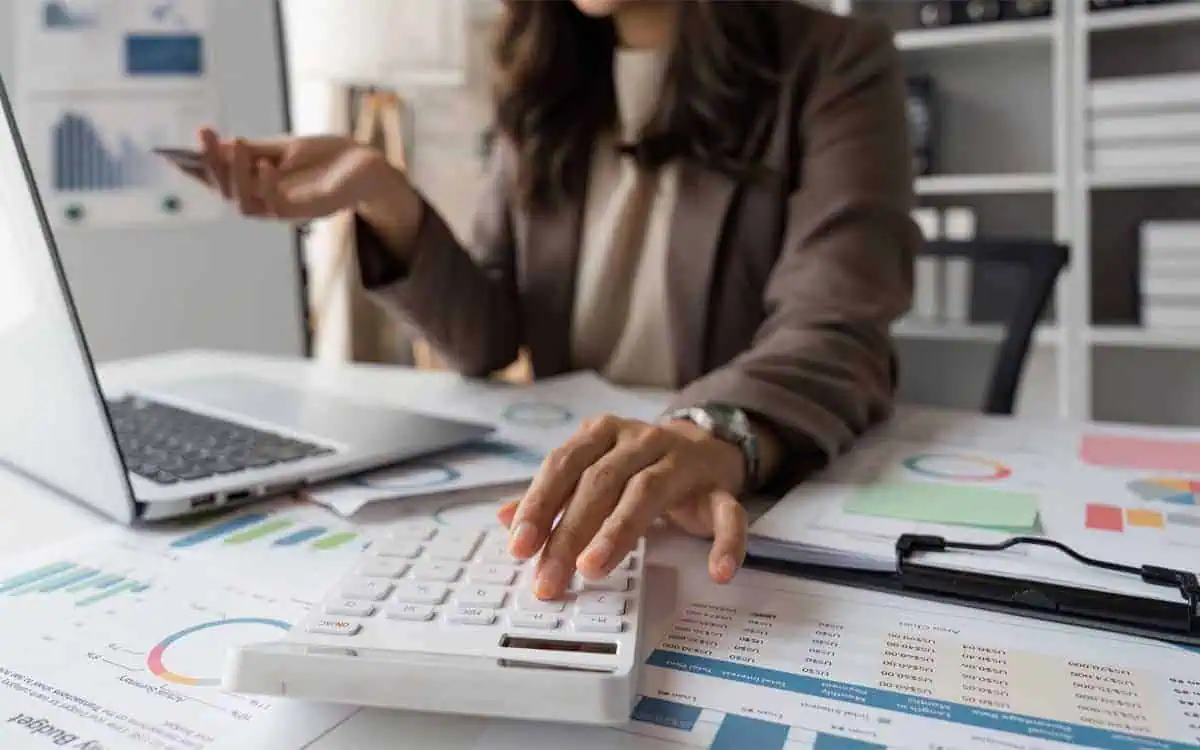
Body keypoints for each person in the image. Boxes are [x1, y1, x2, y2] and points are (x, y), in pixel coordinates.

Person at [191, 0, 918, 600]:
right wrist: (384, 195)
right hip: (581, 494)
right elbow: (486, 338)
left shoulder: (833, 61)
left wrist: (711, 430)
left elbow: (835, 321)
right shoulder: (544, 87)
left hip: (735, 498)